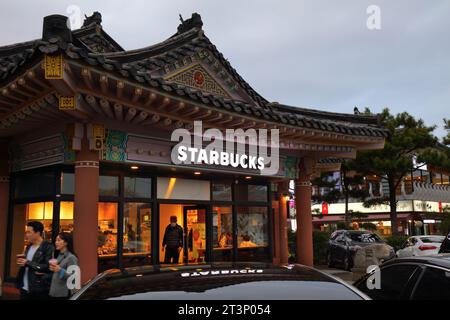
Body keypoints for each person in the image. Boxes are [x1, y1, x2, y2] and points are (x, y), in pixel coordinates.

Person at [16, 221, 54, 300]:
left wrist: (27, 262)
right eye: (26, 232)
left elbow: (47, 267)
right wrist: (23, 262)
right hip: (24, 288)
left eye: (29, 232)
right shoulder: (28, 247)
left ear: (38, 233)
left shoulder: (47, 247)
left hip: (38, 289)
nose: (26, 235)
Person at [49, 232, 79, 299]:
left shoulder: (71, 257)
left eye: (59, 240)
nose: (56, 242)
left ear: (66, 242)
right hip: (55, 292)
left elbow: (74, 278)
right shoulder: (59, 255)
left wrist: (60, 270)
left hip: (63, 294)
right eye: (56, 240)